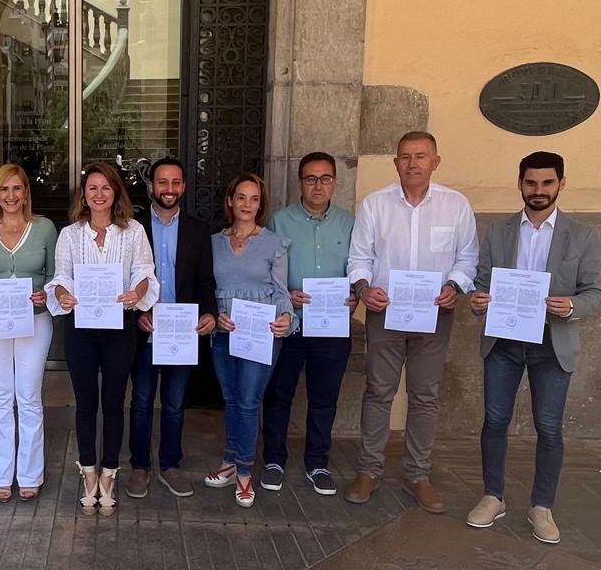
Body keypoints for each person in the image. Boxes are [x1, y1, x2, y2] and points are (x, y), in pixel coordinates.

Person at [465, 152, 601, 544]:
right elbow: (482, 281)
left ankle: (542, 506)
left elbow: (595, 291)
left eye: (547, 183)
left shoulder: (583, 235)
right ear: (520, 183)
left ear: (561, 183)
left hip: (552, 343)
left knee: (549, 427)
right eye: (531, 183)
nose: (538, 191)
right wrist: (478, 299)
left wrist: (573, 305)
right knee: (494, 421)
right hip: (504, 342)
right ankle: (493, 496)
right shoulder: (499, 231)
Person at [345, 131, 478, 513]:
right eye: (405, 156)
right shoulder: (376, 205)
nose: (413, 163)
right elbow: (359, 257)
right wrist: (364, 287)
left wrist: (455, 285)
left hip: (435, 315)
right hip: (385, 314)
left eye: (421, 156)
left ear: (436, 161)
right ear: (396, 162)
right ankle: (369, 470)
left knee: (425, 396)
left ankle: (418, 474)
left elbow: (467, 258)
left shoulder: (455, 206)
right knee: (378, 392)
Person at [46, 161, 158, 516]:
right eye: (92, 188)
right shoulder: (69, 234)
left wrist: (135, 292)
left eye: (106, 188)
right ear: (84, 195)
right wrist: (63, 294)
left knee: (113, 403)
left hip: (119, 327)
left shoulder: (133, 231)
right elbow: (61, 275)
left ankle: (110, 472)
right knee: (85, 403)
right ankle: (88, 472)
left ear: (115, 193)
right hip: (80, 328)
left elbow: (144, 272)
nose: (99, 194)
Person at [261, 152, 356, 496]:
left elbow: (359, 270)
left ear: (334, 182)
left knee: (324, 398)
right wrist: (289, 295)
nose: (318, 185)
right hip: (291, 323)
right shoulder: (278, 222)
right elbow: (266, 273)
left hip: (332, 326)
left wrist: (356, 295)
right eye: (311, 179)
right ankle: (273, 460)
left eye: (325, 178)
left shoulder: (350, 224)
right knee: (278, 395)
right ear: (300, 182)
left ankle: (317, 462)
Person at [126, 157, 217, 500]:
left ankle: (170, 465)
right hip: (145, 326)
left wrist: (209, 312)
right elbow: (125, 280)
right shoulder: (132, 228)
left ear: (184, 187)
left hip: (182, 331)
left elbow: (206, 280)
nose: (169, 189)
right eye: (162, 182)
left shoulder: (197, 228)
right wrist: (136, 311)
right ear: (151, 186)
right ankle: (139, 466)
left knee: (175, 403)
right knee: (142, 400)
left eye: (175, 182)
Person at [204, 173, 294, 508]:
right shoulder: (213, 242)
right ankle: (230, 460)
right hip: (224, 333)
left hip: (260, 334)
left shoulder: (274, 243)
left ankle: (244, 472)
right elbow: (207, 288)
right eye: (240, 197)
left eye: (254, 199)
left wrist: (287, 318)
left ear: (261, 204)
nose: (247, 205)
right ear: (230, 201)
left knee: (248, 400)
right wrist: (214, 313)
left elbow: (282, 293)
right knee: (230, 399)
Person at [0, 164, 58, 503]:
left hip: (34, 321)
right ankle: (2, 474)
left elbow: (55, 276)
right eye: (4, 190)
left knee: (30, 396)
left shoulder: (45, 228)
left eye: (17, 189)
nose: (11, 196)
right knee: (1, 397)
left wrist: (45, 294)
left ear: (26, 193)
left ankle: (31, 474)